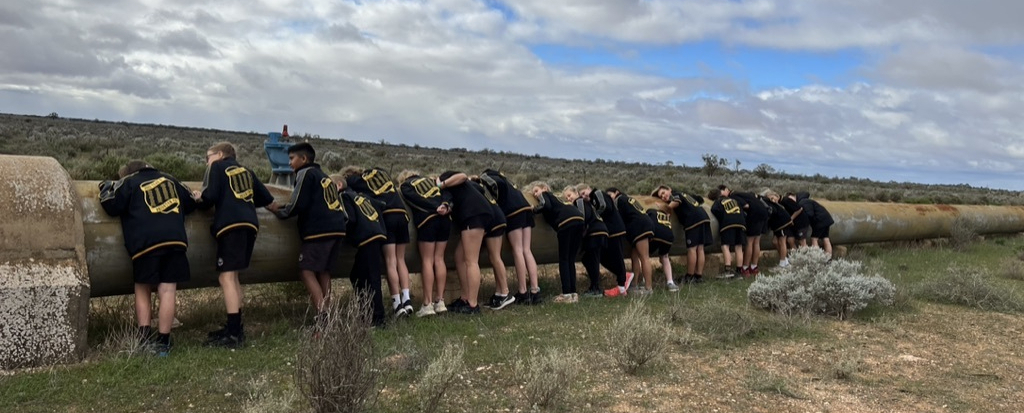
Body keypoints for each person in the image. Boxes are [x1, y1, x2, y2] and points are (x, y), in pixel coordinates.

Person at [99, 160, 197, 356]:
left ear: (127, 172)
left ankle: (144, 339)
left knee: (142, 288)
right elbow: (191, 202)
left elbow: (111, 204)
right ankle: (164, 343)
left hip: (146, 244)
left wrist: (105, 185)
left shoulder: (129, 182)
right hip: (176, 242)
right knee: (168, 290)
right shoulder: (171, 180)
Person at [193, 142, 277, 348]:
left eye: (208, 157)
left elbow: (210, 197)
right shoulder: (246, 170)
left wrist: (198, 197)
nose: (207, 162)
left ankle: (233, 335)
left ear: (220, 154)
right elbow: (265, 198)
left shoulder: (217, 167)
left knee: (226, 276)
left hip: (230, 226)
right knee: (235, 276)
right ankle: (235, 327)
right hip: (250, 225)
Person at [271, 143, 348, 320]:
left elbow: (298, 202)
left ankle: (322, 315)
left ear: (304, 159)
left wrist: (280, 212)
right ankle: (329, 312)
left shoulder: (305, 173)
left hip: (318, 231)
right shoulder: (325, 177)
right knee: (324, 271)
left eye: (292, 159)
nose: (289, 163)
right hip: (337, 228)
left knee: (306, 271)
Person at [342, 166, 414, 317]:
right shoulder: (385, 178)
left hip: (388, 216)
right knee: (401, 260)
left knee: (390, 261)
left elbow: (347, 183)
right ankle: (407, 299)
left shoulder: (360, 180)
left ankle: (396, 303)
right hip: (403, 215)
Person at [331, 174, 388, 326]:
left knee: (370, 278)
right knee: (359, 274)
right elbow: (381, 206)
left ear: (338, 186)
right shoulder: (361, 196)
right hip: (378, 235)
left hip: (367, 239)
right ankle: (367, 311)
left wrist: (344, 234)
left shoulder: (344, 197)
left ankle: (377, 318)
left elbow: (350, 219)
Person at [480, 169, 541, 305]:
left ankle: (523, 291)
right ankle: (535, 290)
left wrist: (480, 179)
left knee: (517, 251)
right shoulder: (507, 180)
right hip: (526, 209)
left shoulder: (489, 177)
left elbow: (491, 184)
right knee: (527, 250)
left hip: (513, 212)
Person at [436, 170, 492, 314]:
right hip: (478, 214)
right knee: (459, 257)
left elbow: (462, 176)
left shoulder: (445, 179)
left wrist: (441, 184)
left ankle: (473, 305)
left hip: (473, 215)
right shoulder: (458, 188)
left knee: (471, 261)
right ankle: (465, 297)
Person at [398, 170, 450, 317]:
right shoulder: (432, 182)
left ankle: (427, 304)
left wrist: (433, 208)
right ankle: (440, 301)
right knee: (439, 259)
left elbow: (416, 199)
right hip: (445, 219)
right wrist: (444, 206)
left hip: (428, 221)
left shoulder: (406, 186)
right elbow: (445, 193)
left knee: (427, 260)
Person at [529, 181, 584, 303]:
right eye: (534, 194)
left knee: (564, 259)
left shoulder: (546, 194)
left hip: (566, 223)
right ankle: (573, 293)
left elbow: (545, 205)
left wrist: (534, 210)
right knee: (570, 259)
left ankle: (566, 293)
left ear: (544, 188)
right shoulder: (559, 200)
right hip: (579, 220)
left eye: (536, 191)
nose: (536, 195)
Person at [577, 185, 632, 297]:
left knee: (617, 256)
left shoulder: (597, 193)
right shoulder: (592, 199)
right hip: (609, 232)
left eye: (584, 192)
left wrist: (595, 215)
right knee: (603, 258)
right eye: (581, 195)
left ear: (588, 188)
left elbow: (604, 206)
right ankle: (622, 275)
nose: (584, 196)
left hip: (615, 229)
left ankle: (622, 284)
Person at [469, 177, 515, 309]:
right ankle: (500, 293)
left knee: (495, 257)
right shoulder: (481, 189)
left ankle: (505, 292)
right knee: (494, 257)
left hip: (493, 220)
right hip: (498, 217)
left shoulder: (471, 188)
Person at [654, 185, 711, 284]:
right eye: (661, 196)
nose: (663, 196)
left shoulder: (675, 195)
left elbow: (674, 203)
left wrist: (665, 207)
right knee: (700, 248)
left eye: (663, 193)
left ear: (669, 189)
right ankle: (698, 275)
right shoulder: (684, 194)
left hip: (693, 220)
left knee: (692, 249)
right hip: (703, 216)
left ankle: (689, 276)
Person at [606, 188, 654, 294]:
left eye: (610, 195)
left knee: (644, 257)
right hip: (641, 225)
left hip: (639, 226)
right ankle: (634, 284)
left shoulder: (619, 200)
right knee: (634, 256)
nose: (609, 198)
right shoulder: (628, 199)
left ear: (617, 192)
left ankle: (648, 287)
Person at [563, 185, 608, 297]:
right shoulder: (587, 203)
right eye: (566, 198)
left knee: (592, 260)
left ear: (576, 193)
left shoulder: (579, 201)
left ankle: (595, 288)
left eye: (569, 195)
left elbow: (582, 216)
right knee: (589, 259)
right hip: (600, 231)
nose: (568, 199)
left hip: (595, 232)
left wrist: (579, 233)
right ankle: (594, 285)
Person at [720, 185, 768, 277]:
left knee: (749, 242)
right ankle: (754, 266)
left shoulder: (733, 196)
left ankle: (745, 268)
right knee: (756, 242)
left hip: (754, 214)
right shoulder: (742, 193)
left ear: (727, 190)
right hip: (763, 212)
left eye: (722, 192)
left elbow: (746, 205)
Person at [707, 188, 746, 278]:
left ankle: (728, 270)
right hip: (741, 223)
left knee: (725, 246)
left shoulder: (718, 201)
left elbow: (714, 210)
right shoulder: (734, 200)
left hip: (728, 224)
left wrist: (723, 217)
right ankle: (739, 271)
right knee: (739, 247)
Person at [760, 190, 795, 268]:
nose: (773, 199)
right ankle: (785, 260)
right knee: (775, 241)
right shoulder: (772, 204)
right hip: (778, 224)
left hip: (782, 223)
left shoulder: (772, 205)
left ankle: (782, 263)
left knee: (782, 241)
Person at [646, 208, 677, 291]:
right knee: (665, 257)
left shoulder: (650, 211)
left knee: (644, 256)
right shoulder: (665, 216)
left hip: (656, 233)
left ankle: (645, 280)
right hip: (669, 236)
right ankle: (670, 282)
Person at [797, 192, 835, 256]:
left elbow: (810, 214)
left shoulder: (803, 202)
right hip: (826, 220)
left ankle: (816, 257)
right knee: (825, 238)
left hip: (819, 221)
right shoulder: (809, 201)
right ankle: (828, 258)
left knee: (814, 239)